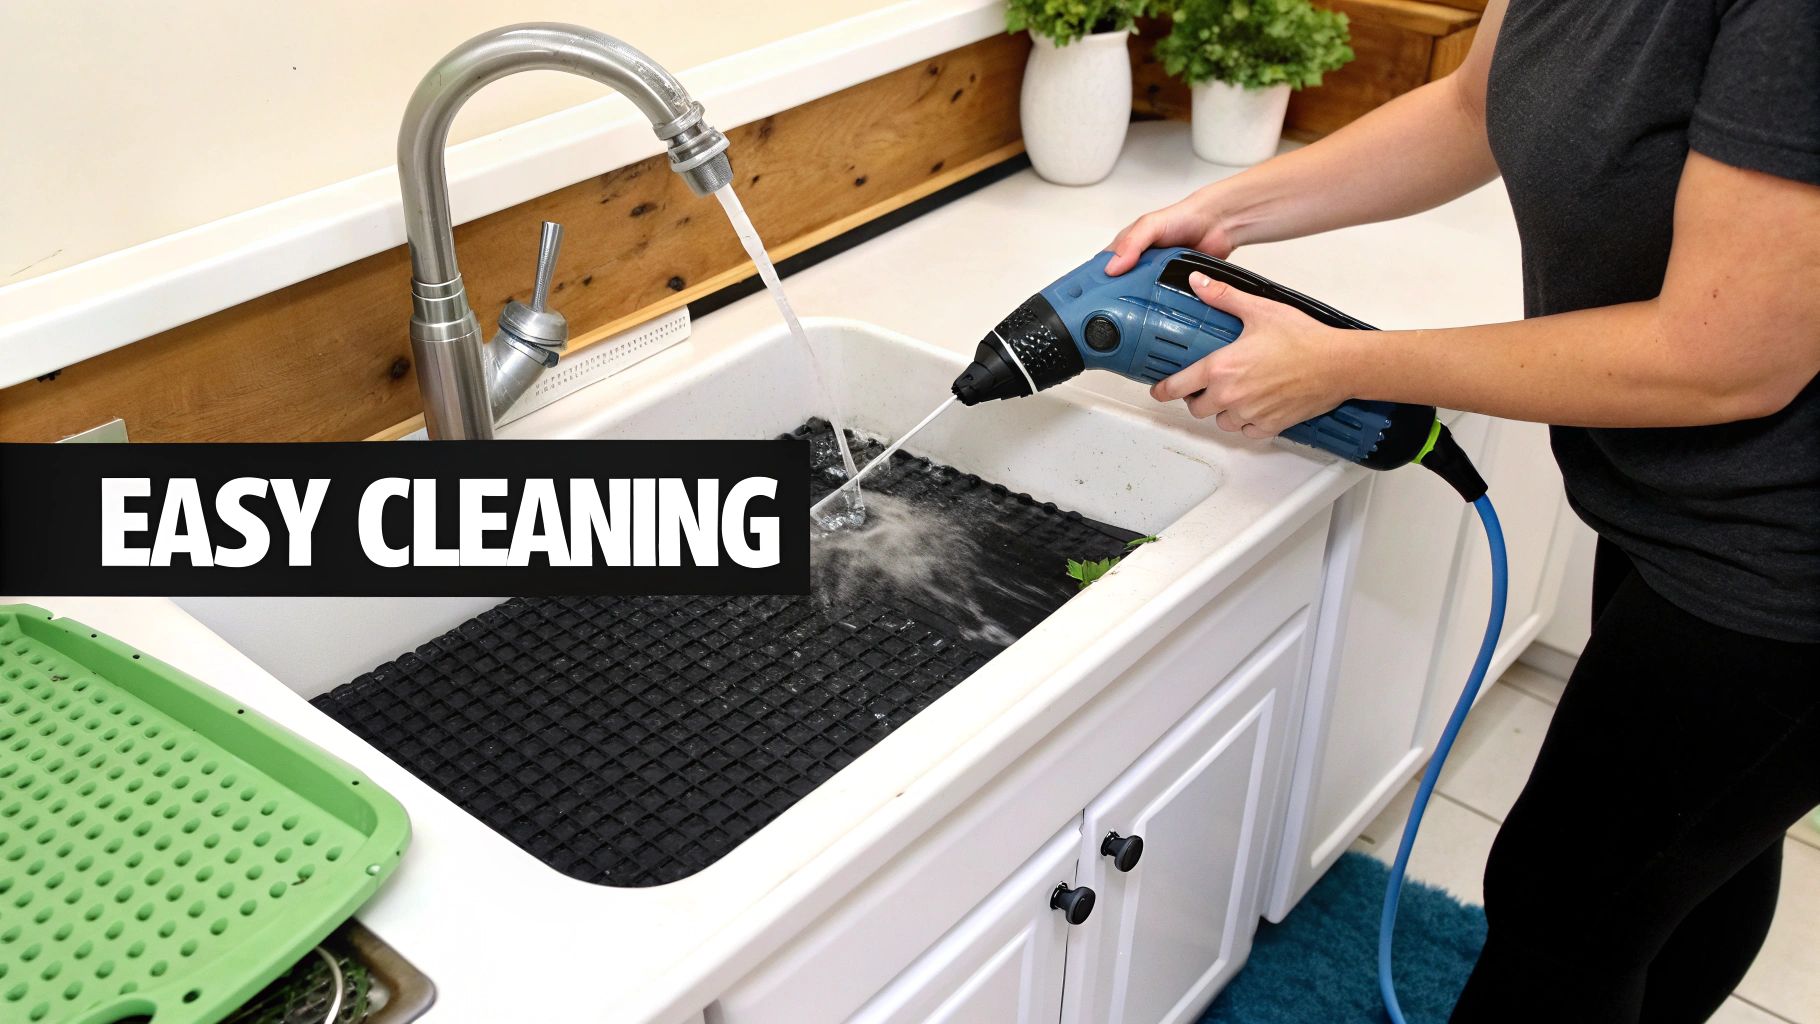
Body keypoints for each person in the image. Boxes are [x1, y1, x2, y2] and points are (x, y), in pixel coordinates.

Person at [1106, 1, 1819, 1020]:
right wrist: (1226, 214)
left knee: (1560, 901)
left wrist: (1342, 363)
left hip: (1783, 552)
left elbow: (1728, 358)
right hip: (1678, 500)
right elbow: (1467, 107)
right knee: (1689, 853)